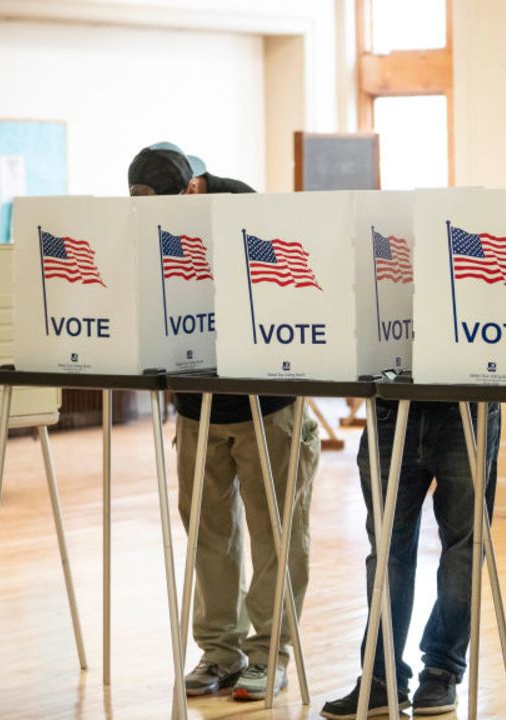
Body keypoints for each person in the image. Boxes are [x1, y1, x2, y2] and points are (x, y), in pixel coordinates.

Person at [127, 142, 320, 702]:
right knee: (207, 530)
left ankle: (269, 653)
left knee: (276, 530)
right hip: (196, 405)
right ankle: (219, 651)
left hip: (268, 405)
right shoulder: (153, 221)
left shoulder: (246, 214)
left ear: (191, 189)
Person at [319, 397, 502, 718]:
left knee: (463, 547)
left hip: (467, 408)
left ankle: (441, 669)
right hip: (390, 406)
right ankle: (380, 677)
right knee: (387, 551)